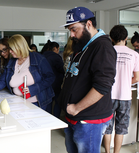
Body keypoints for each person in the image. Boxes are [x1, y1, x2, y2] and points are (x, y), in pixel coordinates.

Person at [58, 7, 117, 153]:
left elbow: (103, 85)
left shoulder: (102, 46)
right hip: (74, 116)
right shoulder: (83, 46)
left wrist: (77, 107)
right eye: (70, 30)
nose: (71, 35)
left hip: (88, 119)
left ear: (89, 24)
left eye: (74, 29)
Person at [0, 34, 55, 110]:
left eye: (12, 49)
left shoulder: (38, 58)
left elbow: (50, 77)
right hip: (19, 102)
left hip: (37, 103)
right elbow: (2, 80)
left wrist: (33, 89)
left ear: (20, 47)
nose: (10, 52)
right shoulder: (12, 61)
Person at [103, 25, 139, 153]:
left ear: (111, 38)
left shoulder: (106, 52)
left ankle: (107, 151)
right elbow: (136, 78)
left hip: (108, 95)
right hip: (125, 96)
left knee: (107, 127)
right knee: (121, 128)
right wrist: (124, 83)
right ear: (126, 38)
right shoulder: (134, 54)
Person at [42, 41, 65, 118]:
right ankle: (56, 119)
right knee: (57, 103)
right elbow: (62, 69)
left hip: (45, 83)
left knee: (48, 102)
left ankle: (47, 119)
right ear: (55, 48)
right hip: (56, 84)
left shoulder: (42, 55)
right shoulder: (56, 57)